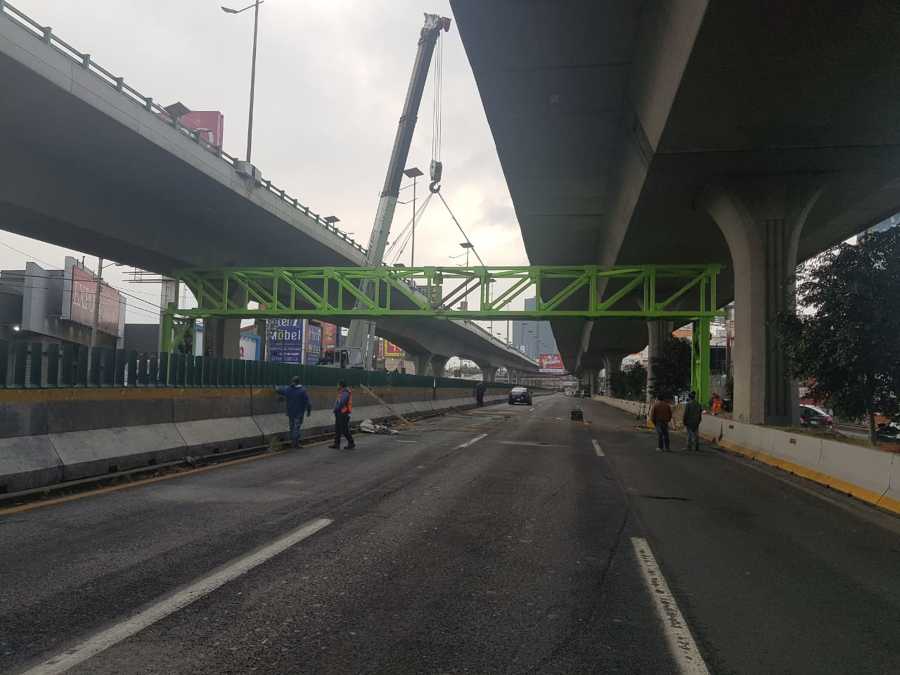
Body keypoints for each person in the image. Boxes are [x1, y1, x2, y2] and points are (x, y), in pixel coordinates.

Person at [276, 376, 311, 448]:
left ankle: (293, 442)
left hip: (290, 413)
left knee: (292, 428)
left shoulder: (289, 389)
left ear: (293, 382)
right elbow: (308, 402)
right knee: (296, 428)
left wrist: (276, 388)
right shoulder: (303, 390)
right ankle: (295, 444)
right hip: (299, 413)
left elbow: (279, 390)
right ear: (299, 382)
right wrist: (308, 411)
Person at [330, 380, 355, 450]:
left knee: (344, 429)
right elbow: (339, 402)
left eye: (337, 385)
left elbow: (342, 403)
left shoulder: (345, 393)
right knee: (337, 429)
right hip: (340, 413)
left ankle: (351, 443)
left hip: (343, 413)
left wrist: (336, 409)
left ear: (341, 386)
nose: (337, 386)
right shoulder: (342, 392)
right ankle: (336, 444)